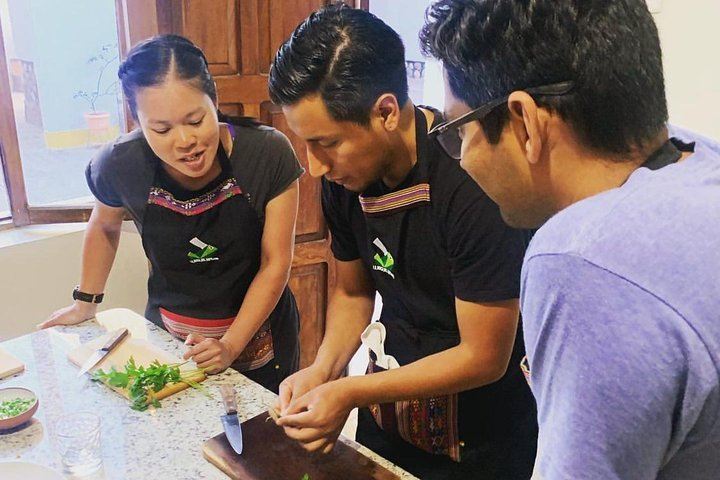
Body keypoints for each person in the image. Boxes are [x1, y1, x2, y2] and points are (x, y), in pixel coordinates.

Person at [421, 1, 720, 478]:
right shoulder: (697, 159)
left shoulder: (582, 260)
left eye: (459, 130)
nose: (462, 159)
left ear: (523, 122)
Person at [268, 6, 537, 479]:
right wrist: (324, 371)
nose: (314, 166)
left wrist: (351, 393)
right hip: (390, 418)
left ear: (386, 112)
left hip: (480, 436)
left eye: (326, 143)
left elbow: (485, 355)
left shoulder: (470, 181)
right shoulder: (343, 180)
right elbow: (353, 292)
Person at [40, 34, 303, 393]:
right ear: (138, 121)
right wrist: (85, 302)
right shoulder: (121, 163)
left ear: (215, 101)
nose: (184, 142)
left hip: (259, 341)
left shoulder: (267, 153)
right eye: (161, 129)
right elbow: (104, 225)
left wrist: (230, 345)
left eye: (195, 121)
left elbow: (275, 262)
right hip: (169, 341)